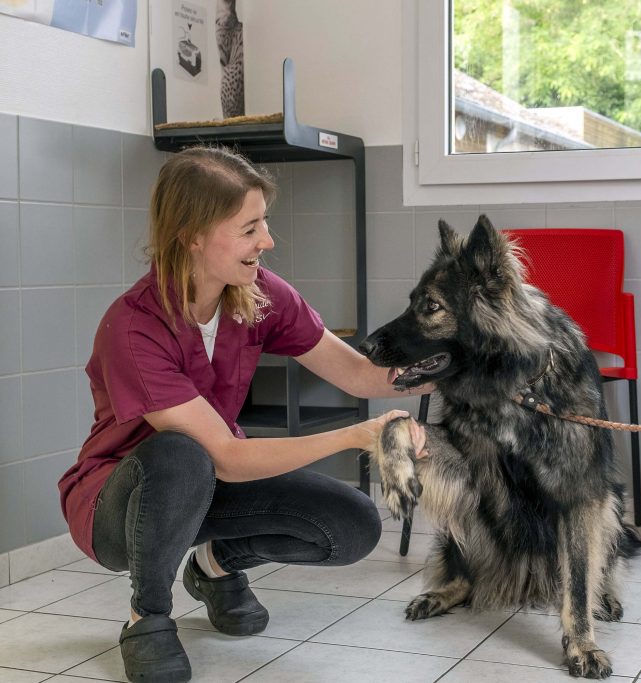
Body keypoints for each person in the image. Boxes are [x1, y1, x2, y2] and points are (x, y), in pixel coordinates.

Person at [58, 146, 427, 683]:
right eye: (250, 228)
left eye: (265, 223)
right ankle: (148, 616)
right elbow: (226, 457)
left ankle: (213, 567)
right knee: (181, 454)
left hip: (207, 486)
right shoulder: (133, 327)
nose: (268, 241)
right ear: (193, 234)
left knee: (352, 524)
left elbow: (360, 375)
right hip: (118, 504)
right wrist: (359, 436)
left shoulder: (256, 294)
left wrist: (463, 367)